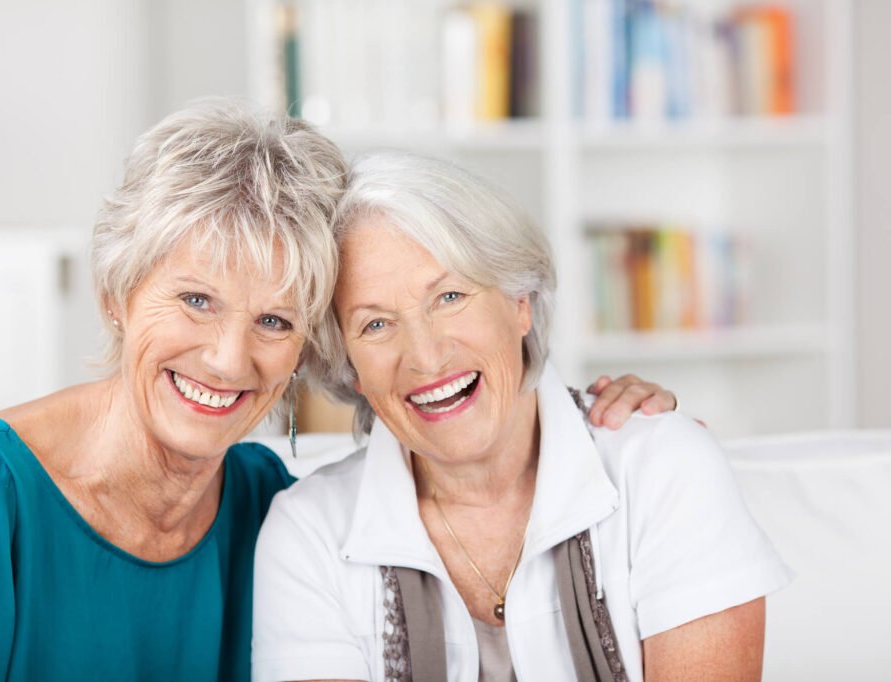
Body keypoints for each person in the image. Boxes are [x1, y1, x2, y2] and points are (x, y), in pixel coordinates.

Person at [0, 102, 674, 681]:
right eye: (194, 300)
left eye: (275, 321)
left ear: (308, 350)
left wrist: (592, 425)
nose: (227, 359)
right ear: (116, 294)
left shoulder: (275, 512)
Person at [251, 152, 792, 681]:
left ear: (520, 303)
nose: (426, 356)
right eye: (375, 325)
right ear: (350, 369)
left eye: (450, 296)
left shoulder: (664, 469)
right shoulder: (308, 534)